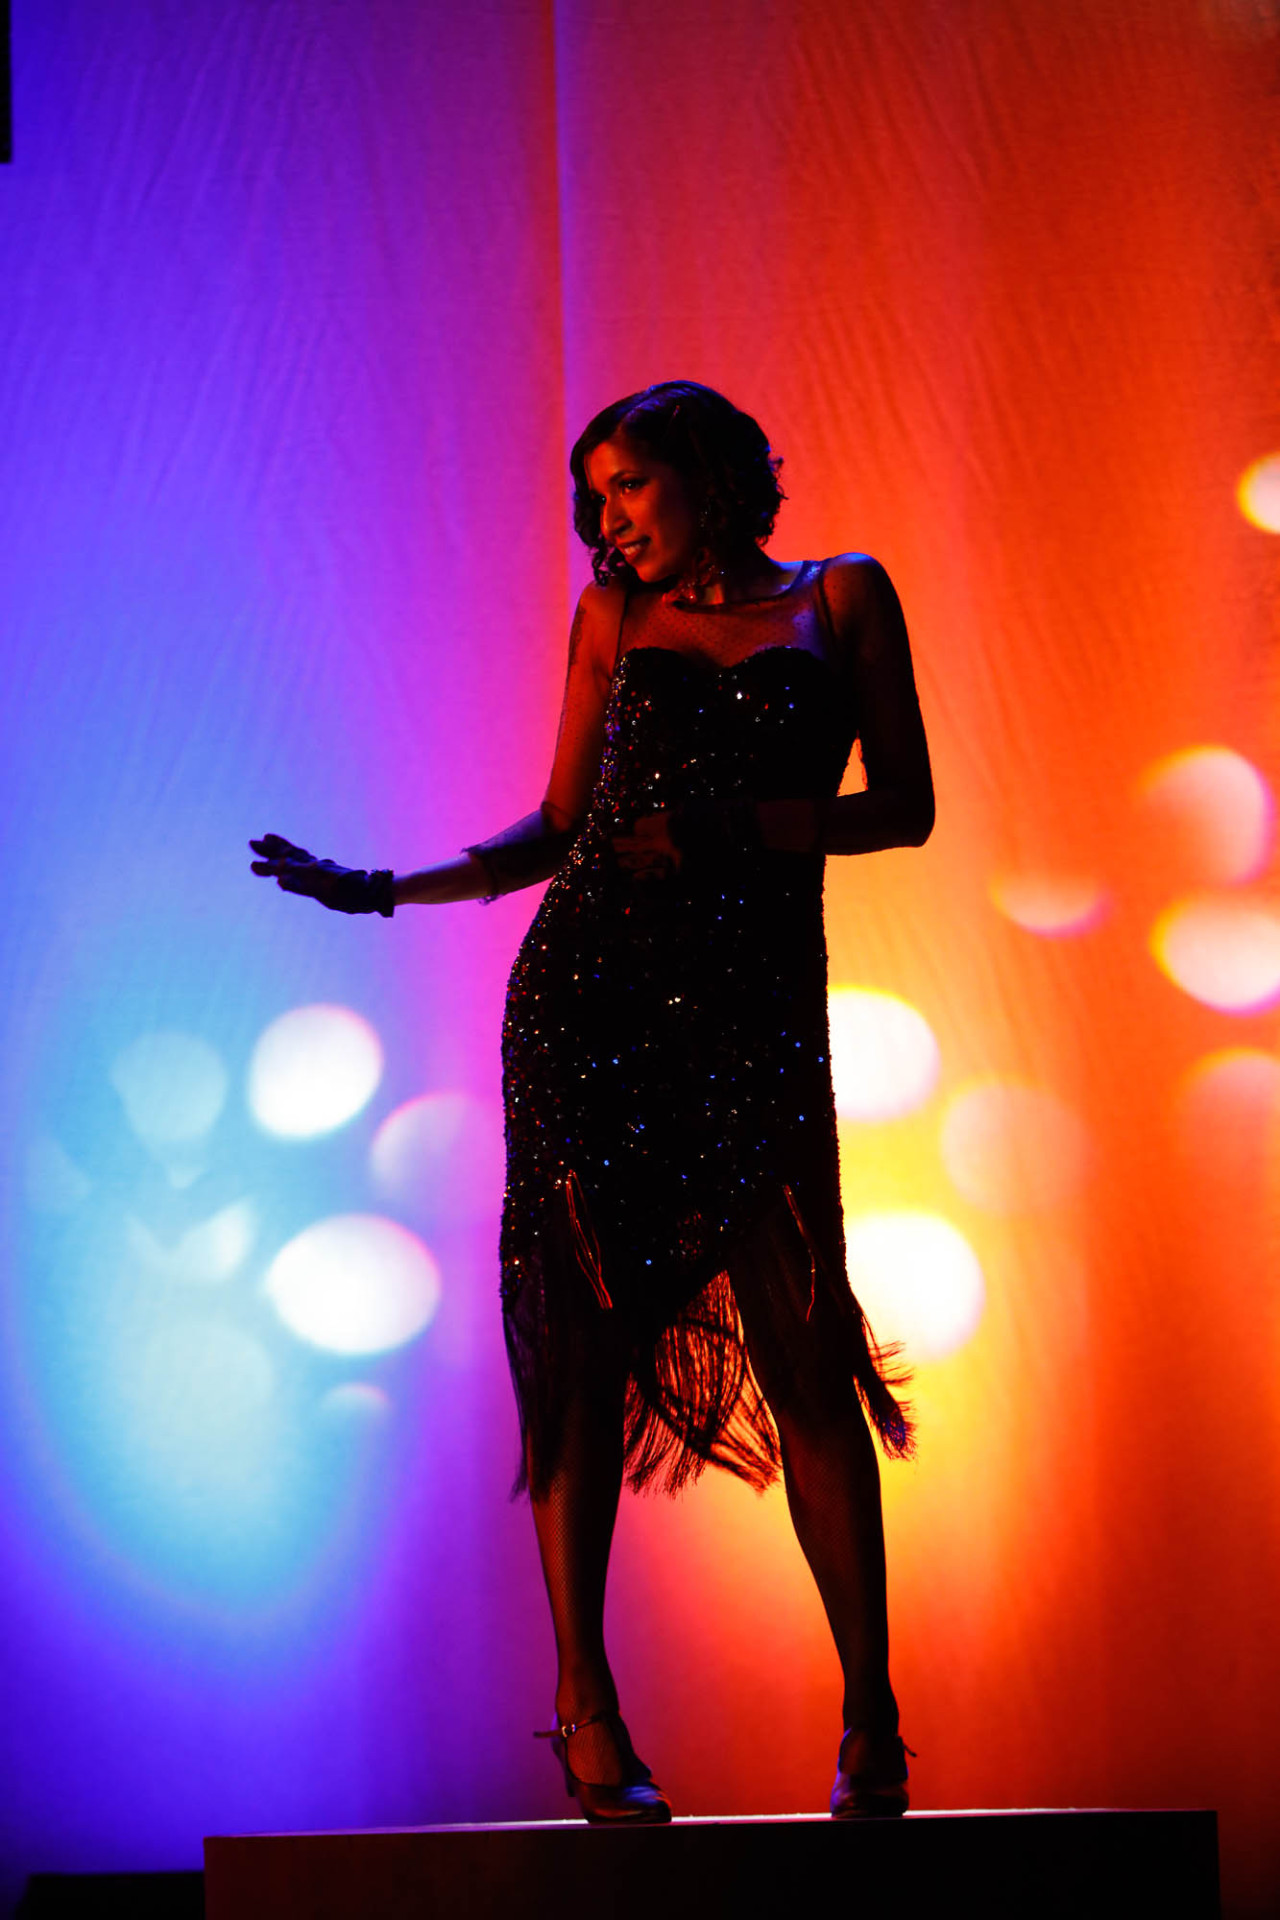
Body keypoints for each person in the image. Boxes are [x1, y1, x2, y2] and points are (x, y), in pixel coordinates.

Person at [251, 379, 934, 1826]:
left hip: (752, 1018)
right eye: (595, 496)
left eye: (630, 485)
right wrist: (382, 890)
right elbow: (561, 828)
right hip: (589, 1009)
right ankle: (586, 1711)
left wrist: (730, 826)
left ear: (709, 469)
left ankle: (872, 1716)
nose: (606, 519)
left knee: (810, 1358)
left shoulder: (845, 596)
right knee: (576, 1353)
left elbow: (905, 807)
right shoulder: (611, 618)